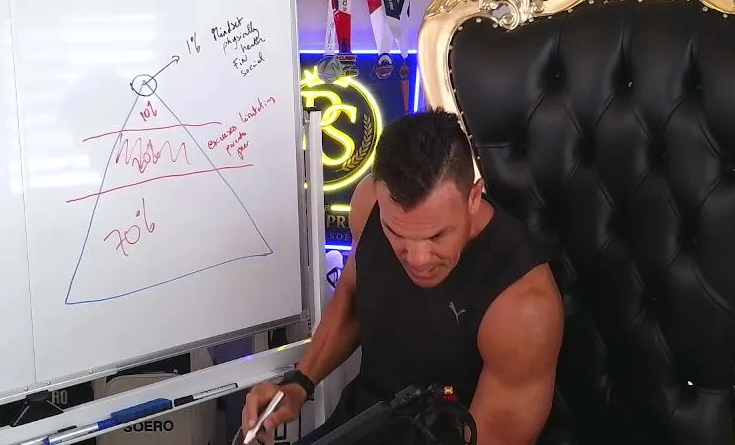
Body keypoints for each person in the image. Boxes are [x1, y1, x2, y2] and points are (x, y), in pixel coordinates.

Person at [241, 109, 563, 445]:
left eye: (437, 236)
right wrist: (299, 384)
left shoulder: (523, 307)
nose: (418, 258)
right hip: (358, 423)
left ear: (473, 196)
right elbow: (353, 298)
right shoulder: (368, 204)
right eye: (397, 233)